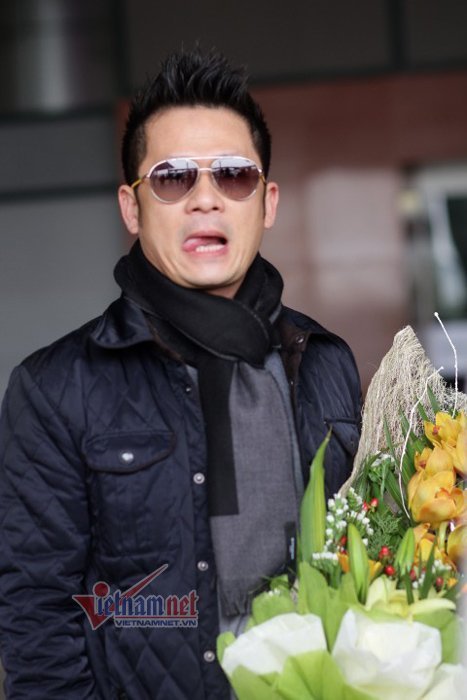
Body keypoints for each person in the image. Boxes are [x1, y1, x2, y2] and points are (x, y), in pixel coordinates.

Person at [0, 49, 361, 699]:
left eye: (234, 175)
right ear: (132, 208)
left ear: (267, 202)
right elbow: (37, 621)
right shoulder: (55, 389)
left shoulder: (324, 359)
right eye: (172, 178)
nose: (205, 199)